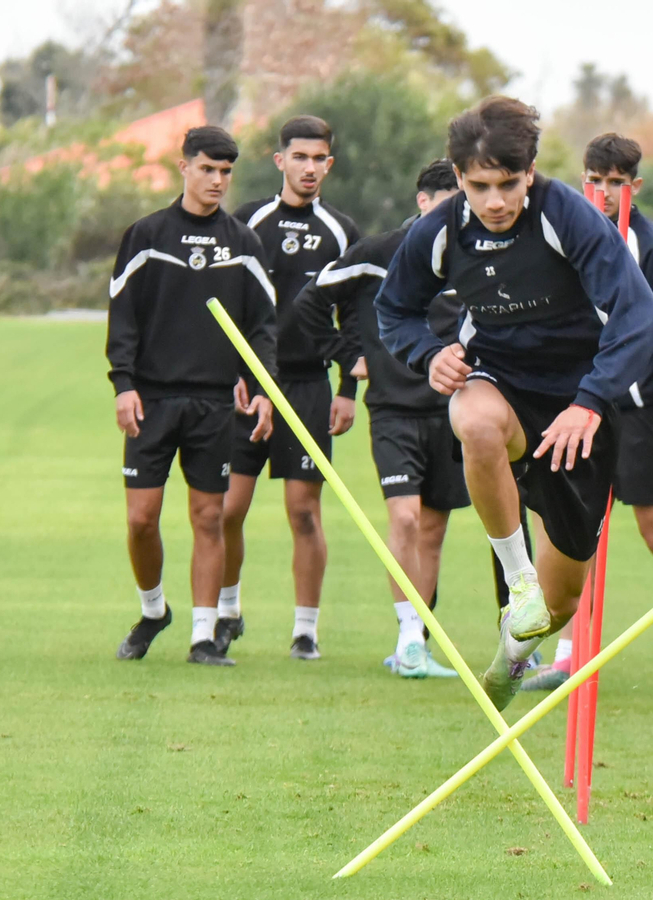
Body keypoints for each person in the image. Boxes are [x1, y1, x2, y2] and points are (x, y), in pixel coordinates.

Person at [374, 97, 653, 711]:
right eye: (479, 187)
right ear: (458, 179)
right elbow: (393, 309)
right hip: (499, 382)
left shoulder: (571, 218)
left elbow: (640, 316)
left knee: (562, 607)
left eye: (508, 184)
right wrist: (429, 354)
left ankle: (513, 648)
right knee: (473, 420)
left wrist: (590, 403)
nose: (496, 201)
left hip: (579, 410)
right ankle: (517, 578)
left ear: (530, 173)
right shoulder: (442, 230)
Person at [522, 133, 653, 697]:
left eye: (615, 182)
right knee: (569, 533)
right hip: (580, 411)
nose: (603, 192)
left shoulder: (652, 248)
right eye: (594, 180)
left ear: (635, 186)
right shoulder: (564, 238)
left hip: (643, 414)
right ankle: (567, 655)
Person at [109, 126, 278, 667]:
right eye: (207, 169)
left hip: (213, 403)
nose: (217, 181)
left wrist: (266, 392)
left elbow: (263, 328)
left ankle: (203, 637)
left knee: (209, 517)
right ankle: (154, 610)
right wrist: (124, 384)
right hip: (153, 399)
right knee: (141, 518)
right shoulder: (145, 235)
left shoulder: (244, 244)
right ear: (183, 167)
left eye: (226, 172)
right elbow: (124, 317)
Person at [292, 159, 468, 678]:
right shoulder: (376, 254)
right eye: (448, 202)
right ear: (423, 201)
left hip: (451, 410)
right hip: (392, 410)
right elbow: (309, 303)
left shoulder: (472, 258)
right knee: (406, 519)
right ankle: (412, 639)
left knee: (432, 531)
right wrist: (347, 356)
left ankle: (412, 641)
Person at [220, 115, 362, 661]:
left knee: (303, 511)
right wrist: (232, 371)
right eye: (298, 157)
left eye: (318, 158)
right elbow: (223, 302)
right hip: (247, 387)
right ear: (280, 160)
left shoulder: (341, 230)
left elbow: (354, 314)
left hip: (307, 386)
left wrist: (349, 386)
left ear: (330, 163)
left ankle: (306, 630)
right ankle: (228, 611)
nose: (308, 167)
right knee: (229, 509)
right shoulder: (248, 221)